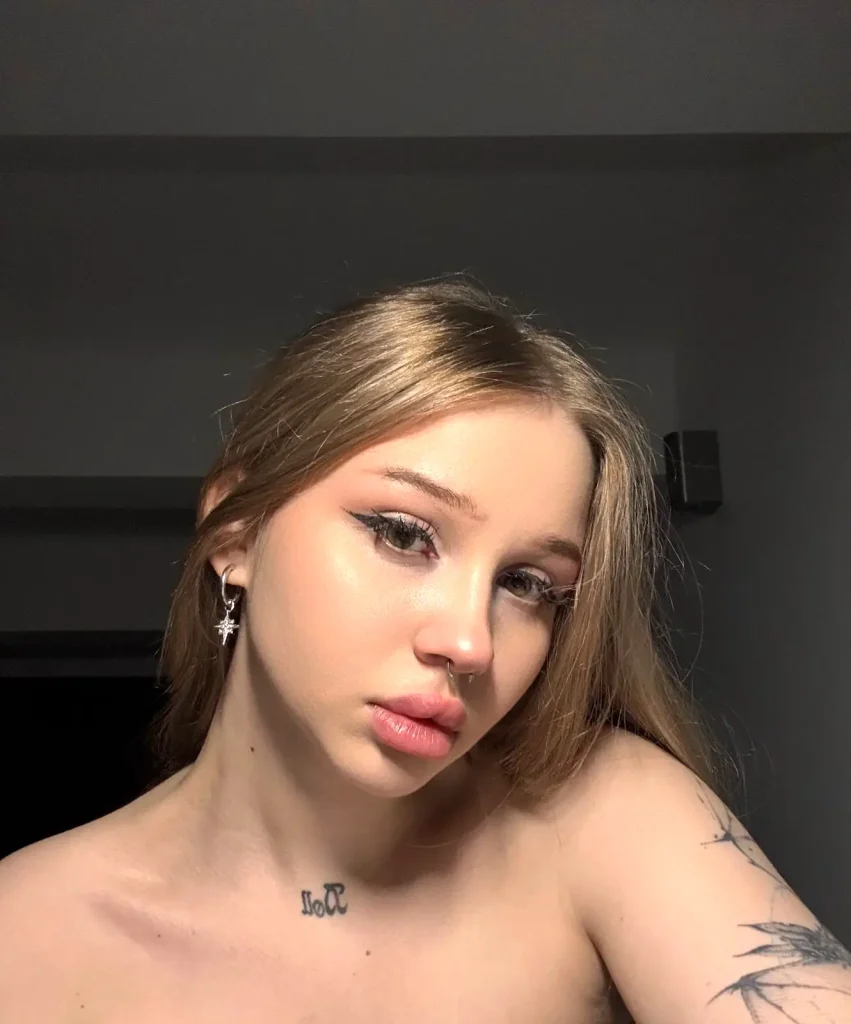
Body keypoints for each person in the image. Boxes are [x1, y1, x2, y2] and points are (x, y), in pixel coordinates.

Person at [0, 276, 848, 1023]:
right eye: (404, 534)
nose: (469, 643)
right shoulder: (27, 936)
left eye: (526, 584)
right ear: (237, 532)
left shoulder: (601, 817)